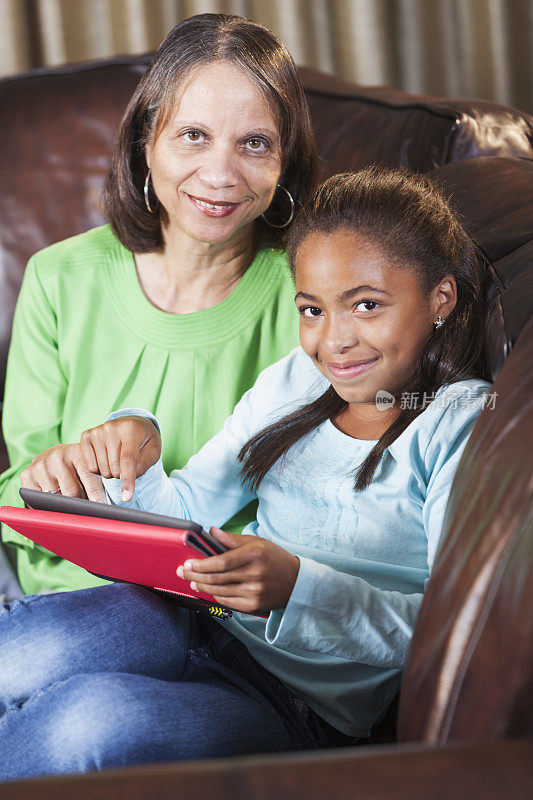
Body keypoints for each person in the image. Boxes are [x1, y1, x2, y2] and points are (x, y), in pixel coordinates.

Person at [1, 167, 493, 780]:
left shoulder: (458, 423)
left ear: (439, 298)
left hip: (300, 709)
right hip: (198, 621)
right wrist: (139, 448)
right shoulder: (296, 380)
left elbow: (457, 629)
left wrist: (297, 588)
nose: (333, 341)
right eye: (312, 309)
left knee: (85, 724)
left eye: (367, 305)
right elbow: (186, 510)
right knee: (18, 655)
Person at [0, 13, 318, 595]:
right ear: (147, 141)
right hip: (50, 593)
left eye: (254, 143)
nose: (220, 174)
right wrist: (47, 474)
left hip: (205, 612)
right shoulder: (57, 277)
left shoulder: (311, 300)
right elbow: (14, 486)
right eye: (193, 135)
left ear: (284, 163)